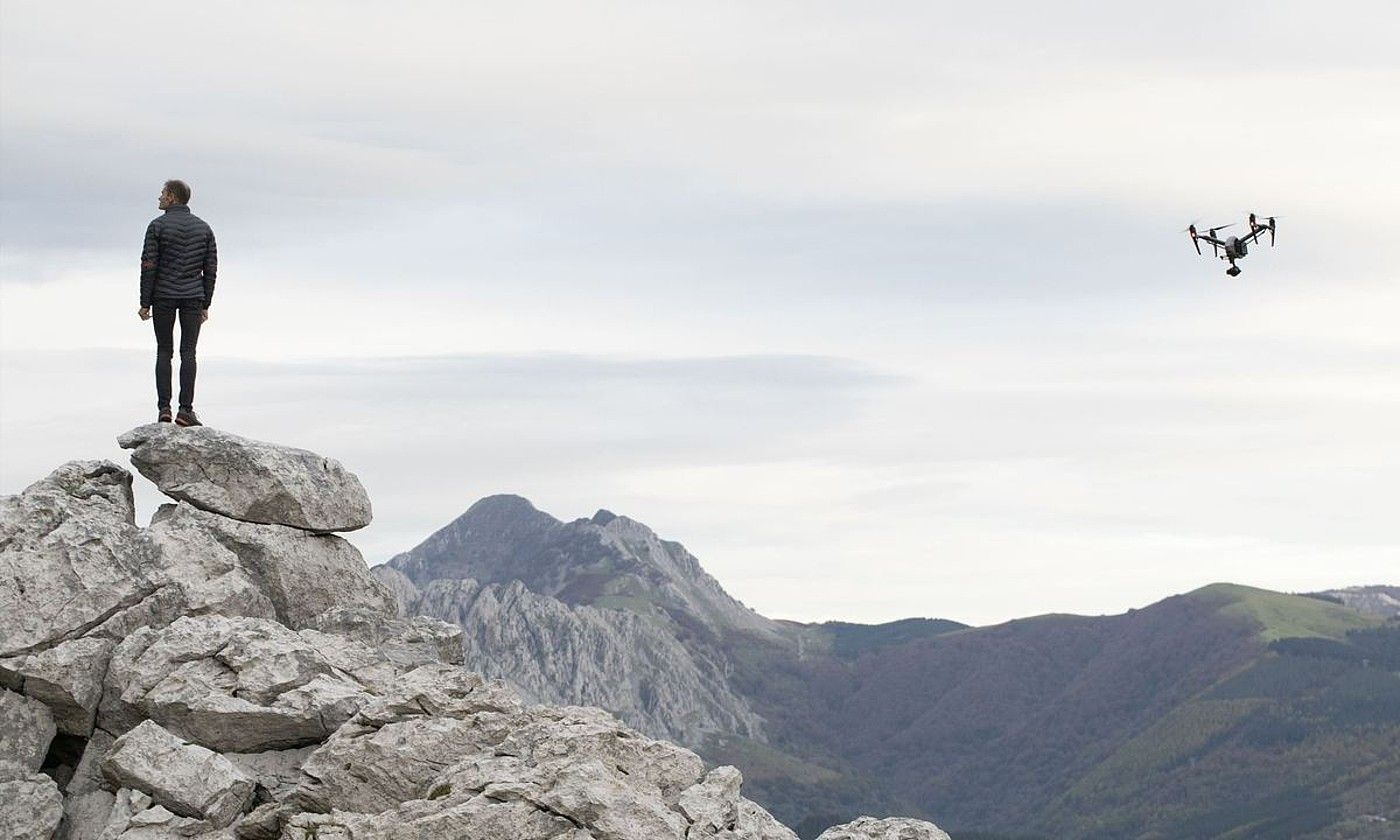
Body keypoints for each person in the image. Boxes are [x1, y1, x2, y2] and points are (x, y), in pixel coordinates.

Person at [138, 179, 217, 426]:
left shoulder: (157, 226)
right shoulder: (204, 228)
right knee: (188, 353)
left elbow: (149, 265)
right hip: (193, 296)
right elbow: (211, 269)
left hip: (163, 295)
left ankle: (164, 409)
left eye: (162, 193)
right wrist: (206, 303)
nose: (159, 197)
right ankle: (185, 410)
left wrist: (145, 302)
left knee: (164, 351)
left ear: (172, 197)